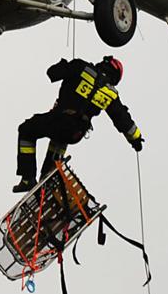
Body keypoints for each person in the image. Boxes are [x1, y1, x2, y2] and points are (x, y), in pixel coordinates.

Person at [13, 55, 144, 192]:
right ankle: (47, 180)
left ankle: (28, 179)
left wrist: (64, 65)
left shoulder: (81, 67)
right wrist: (136, 140)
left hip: (60, 119)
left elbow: (52, 73)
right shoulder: (111, 94)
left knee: (26, 130)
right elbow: (123, 119)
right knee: (59, 141)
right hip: (76, 133)